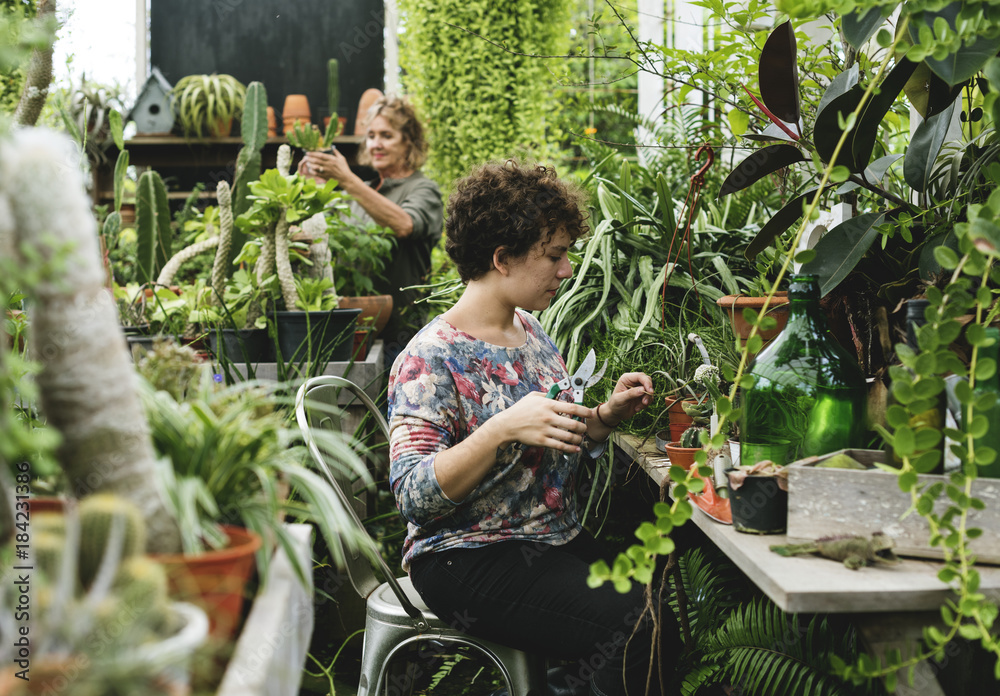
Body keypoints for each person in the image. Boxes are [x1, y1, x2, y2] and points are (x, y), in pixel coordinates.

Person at [387, 160, 681, 695]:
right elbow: (413, 495)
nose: (567, 269)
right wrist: (499, 428)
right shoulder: (430, 359)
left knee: (666, 589)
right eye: (555, 255)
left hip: (545, 538)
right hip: (465, 557)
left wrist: (602, 418)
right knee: (634, 623)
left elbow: (554, 431)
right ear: (502, 259)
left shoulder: (529, 328)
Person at [297, 95, 443, 361]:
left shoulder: (422, 189)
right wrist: (308, 189)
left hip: (401, 340)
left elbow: (404, 224)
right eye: (371, 135)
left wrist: (346, 179)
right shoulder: (357, 191)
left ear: (408, 141)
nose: (376, 144)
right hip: (348, 333)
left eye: (386, 135)